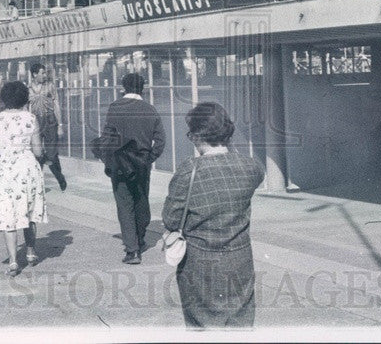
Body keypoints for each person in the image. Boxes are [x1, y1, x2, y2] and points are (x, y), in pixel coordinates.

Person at [162, 102, 265, 329]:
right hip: (240, 259)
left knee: (203, 324)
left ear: (198, 135)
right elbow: (256, 178)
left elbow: (171, 219)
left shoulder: (189, 170)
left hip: (200, 262)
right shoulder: (250, 166)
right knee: (240, 323)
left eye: (191, 134)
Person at [92, 72, 165, 265]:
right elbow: (160, 141)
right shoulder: (150, 109)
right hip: (142, 163)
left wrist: (108, 159)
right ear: (143, 88)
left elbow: (107, 136)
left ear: (123, 88)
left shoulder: (115, 107)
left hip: (120, 163)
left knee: (125, 205)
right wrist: (149, 158)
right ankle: (140, 238)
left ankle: (132, 251)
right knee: (141, 201)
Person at [0, 80, 47, 276]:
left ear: (4, 99)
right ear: (24, 98)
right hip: (27, 168)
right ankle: (31, 251)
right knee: (28, 210)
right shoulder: (31, 119)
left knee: (8, 214)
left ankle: (12, 262)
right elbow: (38, 151)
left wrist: (0, 148)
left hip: (4, 170)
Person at [27, 62, 67, 191]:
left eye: (45, 73)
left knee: (51, 155)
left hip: (50, 121)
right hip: (35, 123)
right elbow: (26, 108)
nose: (44, 75)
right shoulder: (28, 89)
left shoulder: (50, 86)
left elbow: (56, 105)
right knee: (36, 154)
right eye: (42, 73)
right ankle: (38, 182)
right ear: (34, 74)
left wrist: (60, 125)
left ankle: (60, 177)